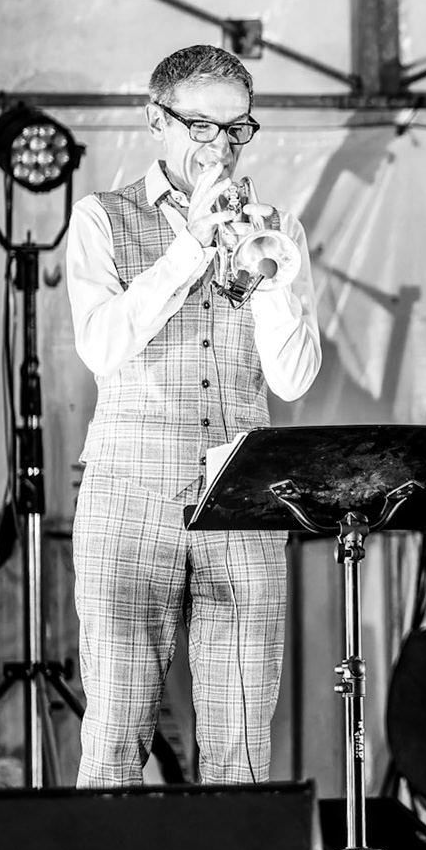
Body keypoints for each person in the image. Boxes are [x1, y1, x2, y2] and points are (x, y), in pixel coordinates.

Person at [66, 44, 321, 786]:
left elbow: (294, 376)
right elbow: (102, 347)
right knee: (116, 736)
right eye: (203, 127)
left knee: (240, 749)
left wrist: (271, 277)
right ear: (157, 120)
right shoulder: (102, 217)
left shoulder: (278, 225)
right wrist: (188, 247)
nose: (222, 149)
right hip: (129, 494)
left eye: (238, 130)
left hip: (241, 498)